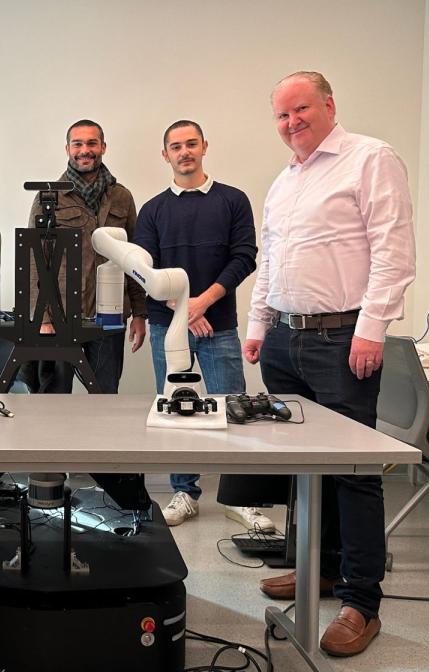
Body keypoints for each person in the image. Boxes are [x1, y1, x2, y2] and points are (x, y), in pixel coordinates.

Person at [243, 71, 416, 657]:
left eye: (302, 109)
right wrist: (258, 327)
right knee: (304, 467)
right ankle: (320, 567)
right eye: (282, 114)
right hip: (286, 342)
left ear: (329, 105)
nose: (292, 122)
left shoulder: (370, 159)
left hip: (342, 339)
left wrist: (371, 329)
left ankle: (361, 601)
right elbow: (270, 261)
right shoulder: (284, 182)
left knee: (353, 471)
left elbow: (394, 251)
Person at [133, 120, 272, 533]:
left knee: (234, 407)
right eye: (176, 146)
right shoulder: (153, 210)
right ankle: (185, 492)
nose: (184, 152)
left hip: (219, 324)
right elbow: (143, 268)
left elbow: (244, 257)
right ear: (165, 155)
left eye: (191, 144)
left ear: (204, 147)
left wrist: (202, 303)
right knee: (176, 409)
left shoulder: (232, 200)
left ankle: (242, 499)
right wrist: (184, 310)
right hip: (168, 326)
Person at [26, 119, 146, 393]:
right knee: (52, 399)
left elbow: (134, 258)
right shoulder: (49, 196)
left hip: (109, 317)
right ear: (67, 149)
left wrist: (139, 312)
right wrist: (42, 317)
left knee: (105, 396)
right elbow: (34, 259)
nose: (84, 150)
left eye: (92, 143)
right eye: (77, 144)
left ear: (103, 147)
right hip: (59, 316)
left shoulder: (122, 197)